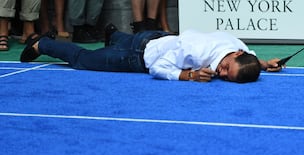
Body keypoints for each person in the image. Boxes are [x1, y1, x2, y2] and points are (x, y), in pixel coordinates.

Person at [20, 25, 282, 83]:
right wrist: (187, 75)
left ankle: (114, 33)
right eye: (226, 68)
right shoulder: (194, 53)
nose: (221, 73)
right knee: (82, 60)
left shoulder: (238, 47)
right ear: (234, 54)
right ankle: (44, 45)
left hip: (156, 36)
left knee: (123, 38)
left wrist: (263, 64)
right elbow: (158, 67)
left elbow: (250, 56)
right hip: (137, 56)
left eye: (227, 77)